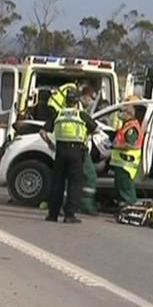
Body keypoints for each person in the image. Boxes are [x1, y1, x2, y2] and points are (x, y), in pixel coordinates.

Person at [40, 88, 98, 223]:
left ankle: (52, 214)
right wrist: (86, 136)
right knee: (74, 183)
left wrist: (50, 142)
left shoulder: (58, 114)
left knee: (58, 183)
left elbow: (42, 131)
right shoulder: (81, 115)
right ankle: (69, 215)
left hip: (60, 151)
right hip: (76, 152)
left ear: (66, 101)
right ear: (77, 101)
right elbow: (96, 130)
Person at [111, 104, 144, 207]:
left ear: (129, 114)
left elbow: (130, 145)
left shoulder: (131, 128)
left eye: (122, 112)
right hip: (121, 163)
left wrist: (116, 146)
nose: (120, 114)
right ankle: (124, 209)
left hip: (126, 163)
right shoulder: (126, 125)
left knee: (126, 188)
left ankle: (130, 208)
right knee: (121, 188)